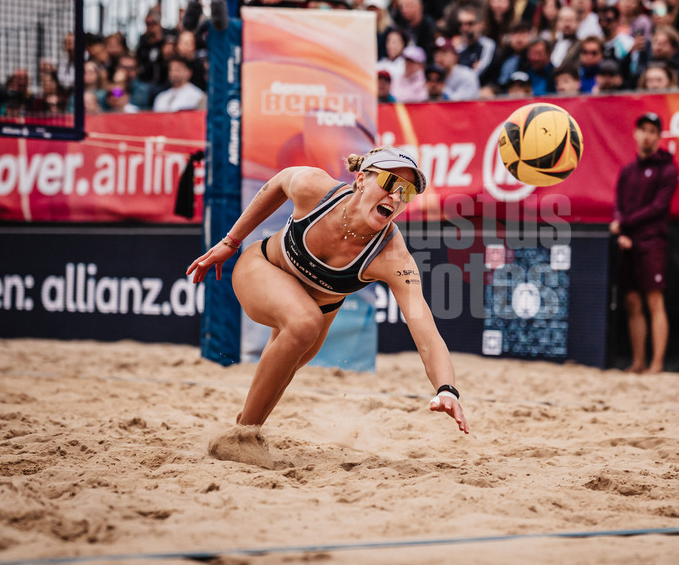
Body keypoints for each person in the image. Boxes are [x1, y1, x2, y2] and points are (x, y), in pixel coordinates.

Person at [187, 147, 469, 442]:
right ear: (361, 179)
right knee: (303, 323)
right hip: (263, 269)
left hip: (318, 311)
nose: (396, 197)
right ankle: (242, 437)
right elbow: (279, 182)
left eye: (407, 192)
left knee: (282, 370)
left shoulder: (393, 257)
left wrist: (446, 389)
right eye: (389, 182)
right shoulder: (315, 189)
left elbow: (427, 335)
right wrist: (231, 242)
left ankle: (246, 429)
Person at [610, 111, 677, 374]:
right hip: (628, 242)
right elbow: (618, 204)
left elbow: (658, 208)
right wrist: (621, 230)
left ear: (659, 137)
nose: (647, 135)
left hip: (652, 242)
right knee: (632, 302)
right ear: (636, 133)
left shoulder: (667, 169)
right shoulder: (628, 170)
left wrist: (623, 224)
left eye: (653, 131)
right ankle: (638, 361)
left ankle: (657, 363)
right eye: (643, 130)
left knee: (654, 301)